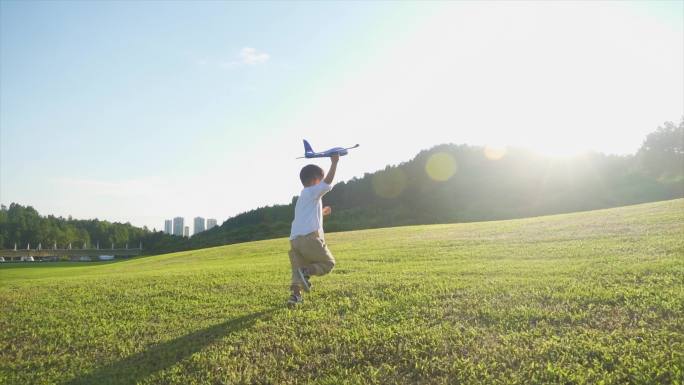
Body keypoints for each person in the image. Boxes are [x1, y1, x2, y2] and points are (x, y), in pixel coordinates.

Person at [287, 154, 340, 307]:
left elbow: (307, 215)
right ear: (314, 180)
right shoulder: (312, 191)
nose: (321, 182)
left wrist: (322, 212)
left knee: (297, 272)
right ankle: (307, 271)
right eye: (320, 179)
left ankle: (295, 297)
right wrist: (334, 163)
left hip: (295, 240)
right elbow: (327, 183)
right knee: (328, 263)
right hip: (308, 238)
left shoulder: (303, 196)